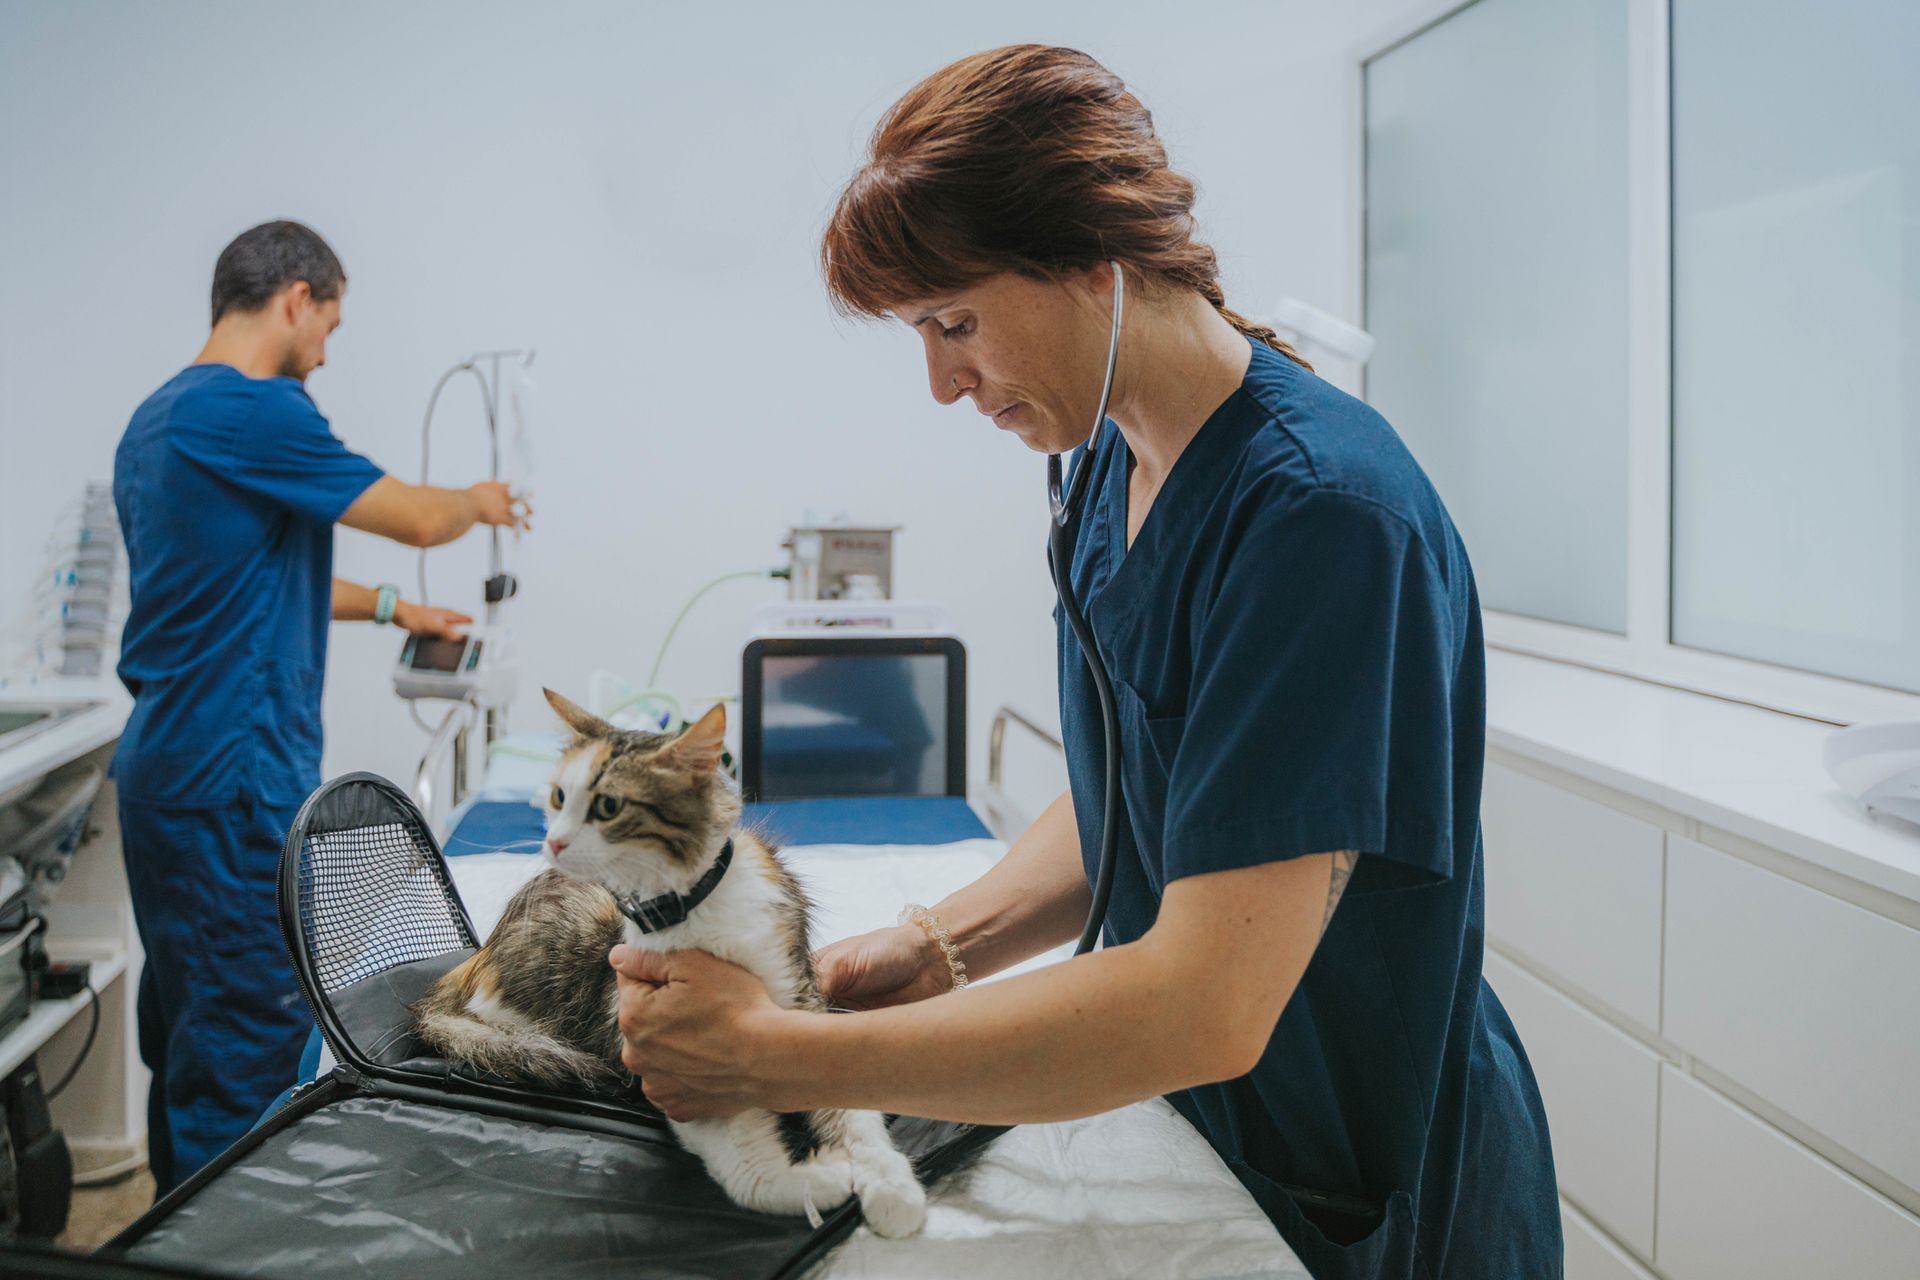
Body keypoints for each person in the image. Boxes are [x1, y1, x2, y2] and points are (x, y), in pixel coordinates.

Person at [606, 47, 1560, 1279]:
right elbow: (1149, 783)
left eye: (956, 324)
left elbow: (1203, 1003)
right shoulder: (1110, 455)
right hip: (1211, 1118)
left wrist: (774, 1052)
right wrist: (938, 944)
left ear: (1093, 266)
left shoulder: (1320, 521)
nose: (945, 383)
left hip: (1348, 1151)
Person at [112, 220, 530, 1194]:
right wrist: (481, 498)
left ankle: (173, 1210)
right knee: (249, 1035)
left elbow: (230, 574)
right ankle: (223, 1239)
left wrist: (394, 607)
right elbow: (421, 516)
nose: (328, 351)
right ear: (296, 296)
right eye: (331, 323)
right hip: (233, 780)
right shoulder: (261, 410)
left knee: (185, 1020)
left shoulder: (155, 421)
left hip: (162, 774)